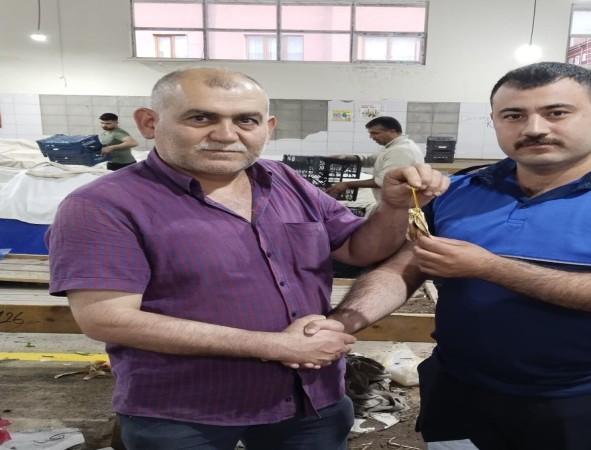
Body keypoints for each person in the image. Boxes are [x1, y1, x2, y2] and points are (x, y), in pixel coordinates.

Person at [45, 67, 448, 450]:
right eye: (201, 117)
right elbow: (106, 318)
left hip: (310, 397)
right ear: (150, 123)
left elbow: (360, 249)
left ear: (267, 128)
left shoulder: (284, 181)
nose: (226, 134)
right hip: (184, 410)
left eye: (246, 120)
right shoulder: (104, 205)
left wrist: (394, 207)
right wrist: (278, 346)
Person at [319, 62, 591, 450]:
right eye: (514, 115)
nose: (534, 128)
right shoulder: (461, 189)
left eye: (556, 113)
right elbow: (400, 269)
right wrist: (342, 322)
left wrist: (489, 266)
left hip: (582, 402)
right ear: (495, 121)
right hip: (459, 392)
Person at [325, 116, 424, 214]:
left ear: (392, 131)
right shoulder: (391, 146)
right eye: (370, 133)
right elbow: (371, 160)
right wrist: (348, 158)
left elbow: (383, 181)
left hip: (399, 207)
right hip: (389, 204)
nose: (371, 137)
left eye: (375, 133)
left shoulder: (401, 150)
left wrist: (347, 184)